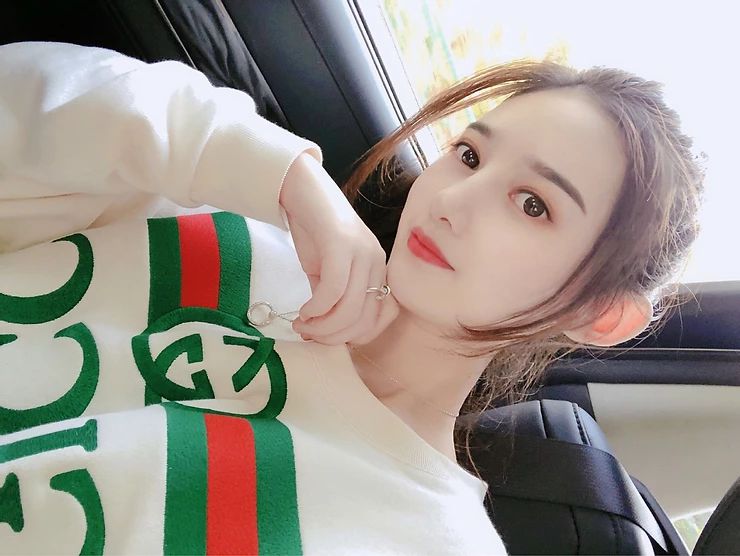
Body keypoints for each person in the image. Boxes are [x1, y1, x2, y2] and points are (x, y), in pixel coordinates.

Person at [0, 40, 703, 555]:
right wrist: (277, 174)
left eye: (532, 204)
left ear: (597, 314)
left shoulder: (423, 536)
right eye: (469, 155)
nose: (454, 200)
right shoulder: (236, 219)